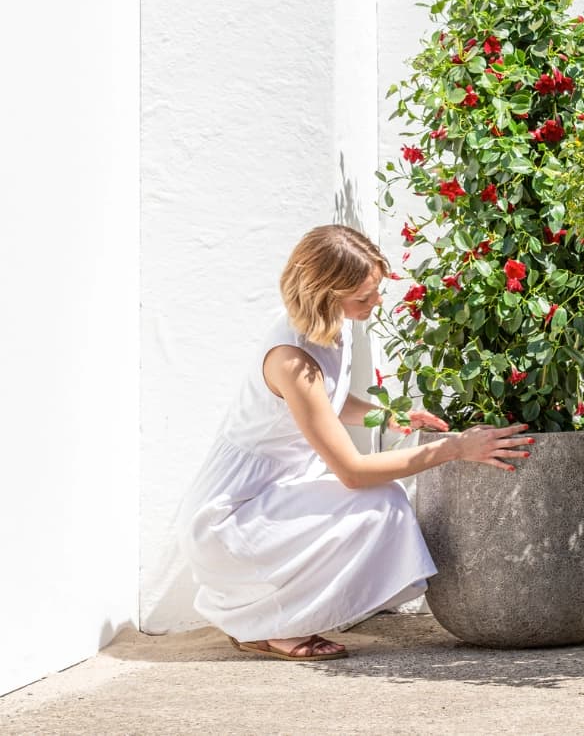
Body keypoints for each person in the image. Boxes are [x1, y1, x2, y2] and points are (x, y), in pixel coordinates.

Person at [178, 224, 530, 661]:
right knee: (379, 502)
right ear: (324, 295)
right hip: (235, 515)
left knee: (382, 504)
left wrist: (389, 414)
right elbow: (353, 472)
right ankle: (272, 625)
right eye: (364, 297)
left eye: (376, 290)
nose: (376, 302)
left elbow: (328, 401)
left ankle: (269, 621)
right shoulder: (291, 359)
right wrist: (456, 448)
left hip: (276, 491)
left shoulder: (330, 326)